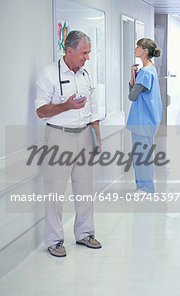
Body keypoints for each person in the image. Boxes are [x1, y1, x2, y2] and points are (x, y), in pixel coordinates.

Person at [35, 30, 102, 257]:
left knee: (85, 189)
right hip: (58, 136)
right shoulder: (48, 74)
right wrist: (66, 106)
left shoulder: (85, 75)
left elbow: (93, 109)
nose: (87, 57)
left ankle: (85, 233)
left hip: (84, 135)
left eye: (89, 53)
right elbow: (41, 111)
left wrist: (97, 139)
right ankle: (54, 240)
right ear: (69, 50)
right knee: (55, 191)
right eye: (84, 53)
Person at [127, 38, 163, 194]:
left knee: (141, 157)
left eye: (138, 47)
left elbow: (132, 96)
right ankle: (144, 187)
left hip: (142, 121)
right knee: (143, 155)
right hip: (148, 119)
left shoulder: (145, 73)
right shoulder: (150, 69)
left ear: (145, 51)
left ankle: (146, 188)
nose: (135, 49)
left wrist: (131, 77)